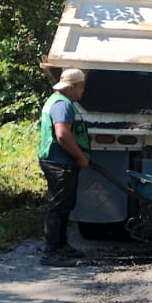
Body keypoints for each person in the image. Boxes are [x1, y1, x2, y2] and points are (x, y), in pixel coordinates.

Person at [37, 68, 91, 267]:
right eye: (82, 88)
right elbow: (62, 135)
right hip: (59, 162)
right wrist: (80, 157)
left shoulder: (56, 100)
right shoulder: (63, 105)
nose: (83, 92)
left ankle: (61, 246)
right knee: (59, 206)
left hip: (57, 160)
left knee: (65, 204)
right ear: (73, 86)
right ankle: (51, 252)